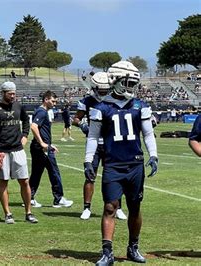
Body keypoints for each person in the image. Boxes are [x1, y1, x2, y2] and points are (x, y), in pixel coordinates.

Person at [85, 61, 158, 265]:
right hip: (113, 165)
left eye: (133, 83)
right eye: (127, 82)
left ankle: (133, 247)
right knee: (110, 207)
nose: (131, 87)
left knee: (135, 207)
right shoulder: (101, 108)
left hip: (134, 164)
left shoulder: (140, 106)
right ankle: (107, 252)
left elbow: (148, 133)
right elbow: (92, 137)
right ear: (115, 80)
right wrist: (88, 160)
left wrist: (153, 154)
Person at [72, 72, 127, 221]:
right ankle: (86, 208)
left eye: (105, 90)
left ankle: (119, 207)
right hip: (94, 143)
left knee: (115, 177)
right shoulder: (86, 101)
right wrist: (82, 125)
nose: (103, 93)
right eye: (101, 90)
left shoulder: (113, 101)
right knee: (90, 176)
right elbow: (76, 119)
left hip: (112, 143)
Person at [0, 81, 37, 224]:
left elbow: (26, 121)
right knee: (4, 182)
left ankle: (28, 212)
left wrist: (25, 135)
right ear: (3, 93)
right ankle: (8, 213)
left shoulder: (18, 106)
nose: (13, 96)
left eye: (14, 93)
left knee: (25, 181)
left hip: (18, 150)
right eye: (10, 93)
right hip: (2, 151)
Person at [28, 90, 73, 208]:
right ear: (46, 99)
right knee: (54, 172)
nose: (54, 103)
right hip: (43, 148)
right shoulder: (42, 112)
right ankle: (58, 198)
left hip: (40, 147)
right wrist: (43, 143)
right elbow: (33, 127)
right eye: (53, 101)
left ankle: (29, 197)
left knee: (37, 173)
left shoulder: (42, 111)